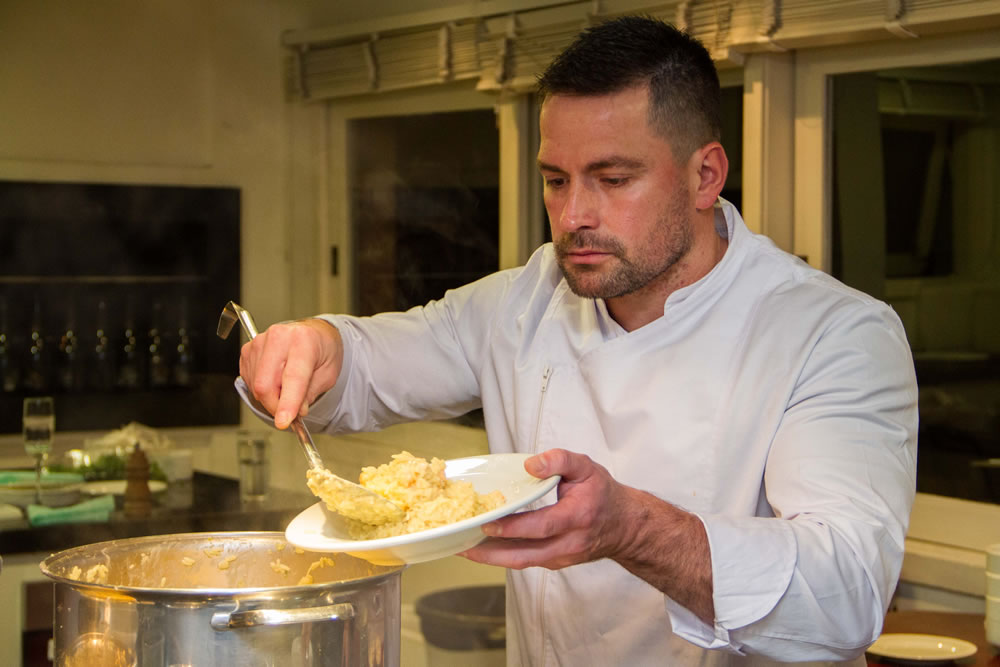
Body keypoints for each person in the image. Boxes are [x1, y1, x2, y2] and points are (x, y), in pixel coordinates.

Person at [237, 16, 918, 666]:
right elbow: (368, 364)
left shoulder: (833, 334)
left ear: (705, 176)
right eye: (555, 180)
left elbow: (846, 593)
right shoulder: (526, 301)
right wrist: (315, 345)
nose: (572, 216)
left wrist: (629, 527)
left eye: (613, 179)